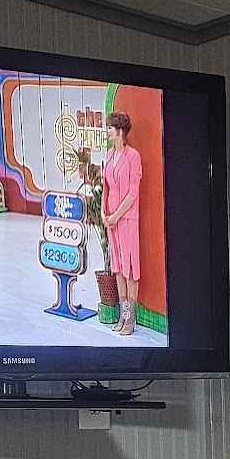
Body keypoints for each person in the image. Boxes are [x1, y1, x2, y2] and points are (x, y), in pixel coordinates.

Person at [101, 109, 142, 334]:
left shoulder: (133, 156)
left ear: (119, 131)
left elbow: (133, 193)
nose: (107, 131)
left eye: (110, 128)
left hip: (127, 218)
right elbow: (105, 187)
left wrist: (116, 215)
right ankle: (122, 316)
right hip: (112, 221)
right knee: (117, 267)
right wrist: (103, 213)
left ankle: (130, 319)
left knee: (130, 269)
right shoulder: (109, 155)